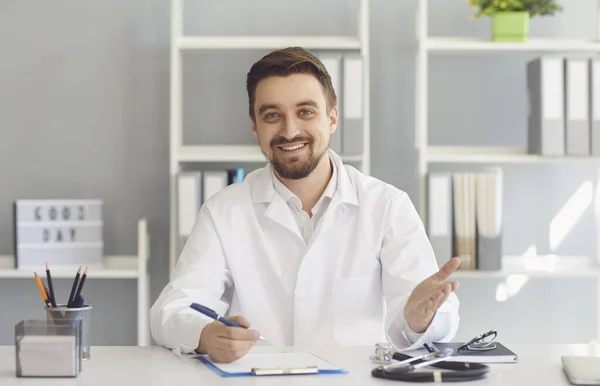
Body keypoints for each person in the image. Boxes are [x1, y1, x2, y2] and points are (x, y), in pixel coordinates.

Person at [150, 47, 460, 363]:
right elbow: (171, 311)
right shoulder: (223, 211)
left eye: (305, 112)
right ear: (255, 126)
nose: (289, 130)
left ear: (332, 118)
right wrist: (204, 335)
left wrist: (419, 318)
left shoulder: (387, 206)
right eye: (272, 115)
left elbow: (430, 314)